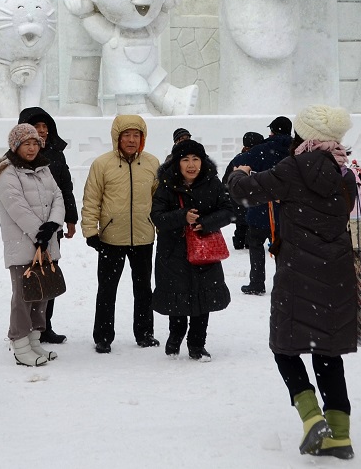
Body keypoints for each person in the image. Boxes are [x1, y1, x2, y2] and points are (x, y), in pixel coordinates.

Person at [228, 105, 358, 459]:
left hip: (299, 273)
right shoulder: (344, 172)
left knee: (284, 346)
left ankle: (311, 416)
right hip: (337, 275)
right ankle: (339, 435)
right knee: (327, 352)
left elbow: (244, 193)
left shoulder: (291, 169)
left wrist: (239, 172)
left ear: (302, 136)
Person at [0, 123, 65, 367]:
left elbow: (57, 197)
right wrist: (40, 232)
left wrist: (52, 225)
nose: (31, 148)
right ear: (15, 146)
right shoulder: (6, 172)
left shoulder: (44, 168)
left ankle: (35, 340)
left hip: (45, 241)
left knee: (42, 293)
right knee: (23, 296)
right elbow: (16, 206)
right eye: (26, 143)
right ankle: (19, 343)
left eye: (35, 143)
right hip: (23, 243)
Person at [81, 114, 160, 354]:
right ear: (117, 137)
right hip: (110, 239)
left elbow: (159, 200)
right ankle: (103, 336)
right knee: (107, 290)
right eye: (127, 135)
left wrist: (161, 226)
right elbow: (91, 199)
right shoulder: (102, 164)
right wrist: (90, 231)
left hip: (144, 237)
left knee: (144, 289)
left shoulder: (152, 163)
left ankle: (145, 333)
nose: (131, 140)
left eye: (136, 135)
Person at [150, 138, 233, 361]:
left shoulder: (212, 183)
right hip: (173, 253)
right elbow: (156, 217)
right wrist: (182, 216)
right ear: (177, 162)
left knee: (202, 300)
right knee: (177, 299)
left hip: (203, 251)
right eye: (185, 159)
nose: (191, 164)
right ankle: (175, 337)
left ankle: (197, 345)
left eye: (195, 159)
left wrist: (206, 223)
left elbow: (228, 210)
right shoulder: (166, 185)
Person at [18, 106, 78, 344]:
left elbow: (65, 188)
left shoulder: (56, 155)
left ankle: (44, 326)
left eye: (45, 128)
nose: (41, 132)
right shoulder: (12, 159)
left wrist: (70, 218)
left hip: (51, 227)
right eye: (36, 127)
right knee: (26, 278)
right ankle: (23, 328)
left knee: (48, 275)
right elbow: (3, 199)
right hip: (23, 231)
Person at [229, 116, 293, 296]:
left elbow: (239, 161)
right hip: (286, 210)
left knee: (256, 244)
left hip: (261, 206)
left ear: (272, 131)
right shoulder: (295, 150)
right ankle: (283, 285)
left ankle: (257, 283)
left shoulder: (263, 149)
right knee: (283, 248)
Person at [224, 131, 264, 249]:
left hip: (238, 200)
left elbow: (226, 180)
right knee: (250, 225)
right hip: (252, 201)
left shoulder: (237, 160)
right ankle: (246, 240)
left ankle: (240, 241)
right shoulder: (259, 160)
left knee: (241, 225)